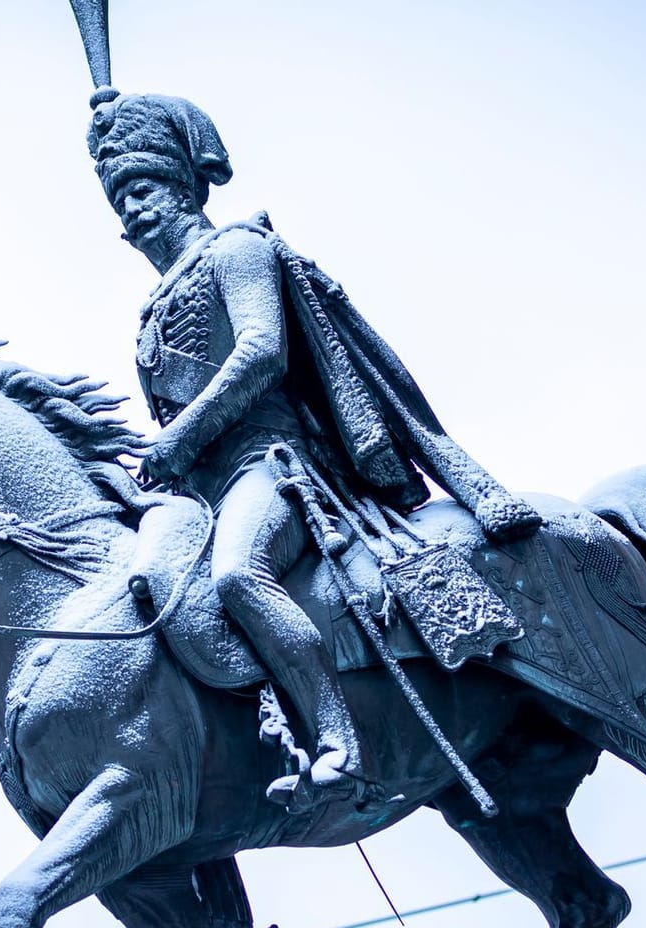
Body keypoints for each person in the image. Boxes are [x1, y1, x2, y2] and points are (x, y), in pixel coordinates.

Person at [88, 89, 540, 811]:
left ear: (180, 188)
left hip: (273, 469)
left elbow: (263, 352)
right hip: (205, 493)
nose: (132, 215)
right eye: (120, 205)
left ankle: (340, 742)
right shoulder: (149, 311)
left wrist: (181, 437)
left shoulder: (234, 250)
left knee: (239, 574)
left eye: (142, 192)